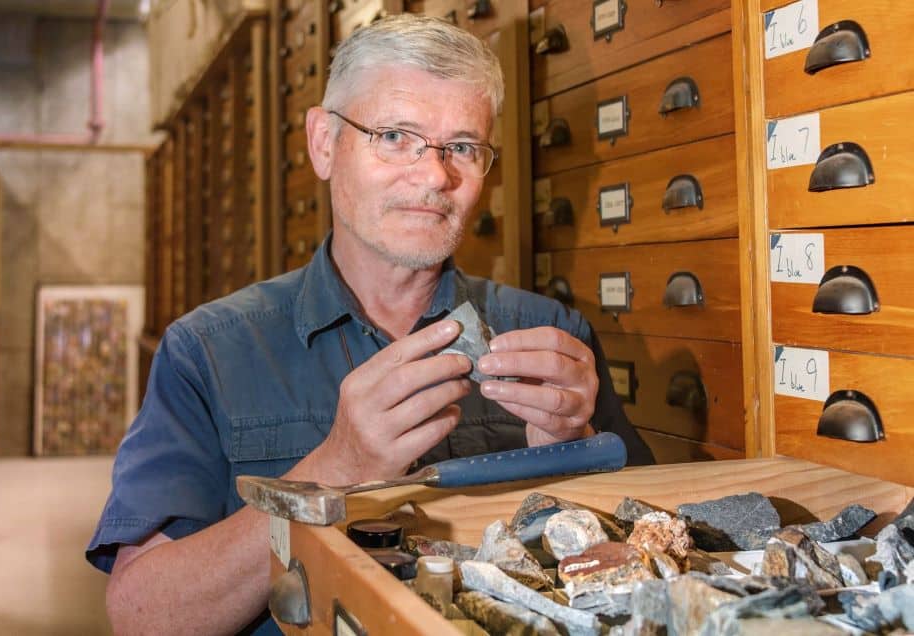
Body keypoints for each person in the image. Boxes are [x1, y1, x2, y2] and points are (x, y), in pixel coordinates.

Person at [87, 14, 654, 635]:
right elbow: (143, 616)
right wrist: (335, 468)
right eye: (395, 136)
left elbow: (657, 562)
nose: (435, 175)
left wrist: (570, 453)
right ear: (323, 143)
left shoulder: (553, 337)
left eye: (463, 147)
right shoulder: (207, 353)